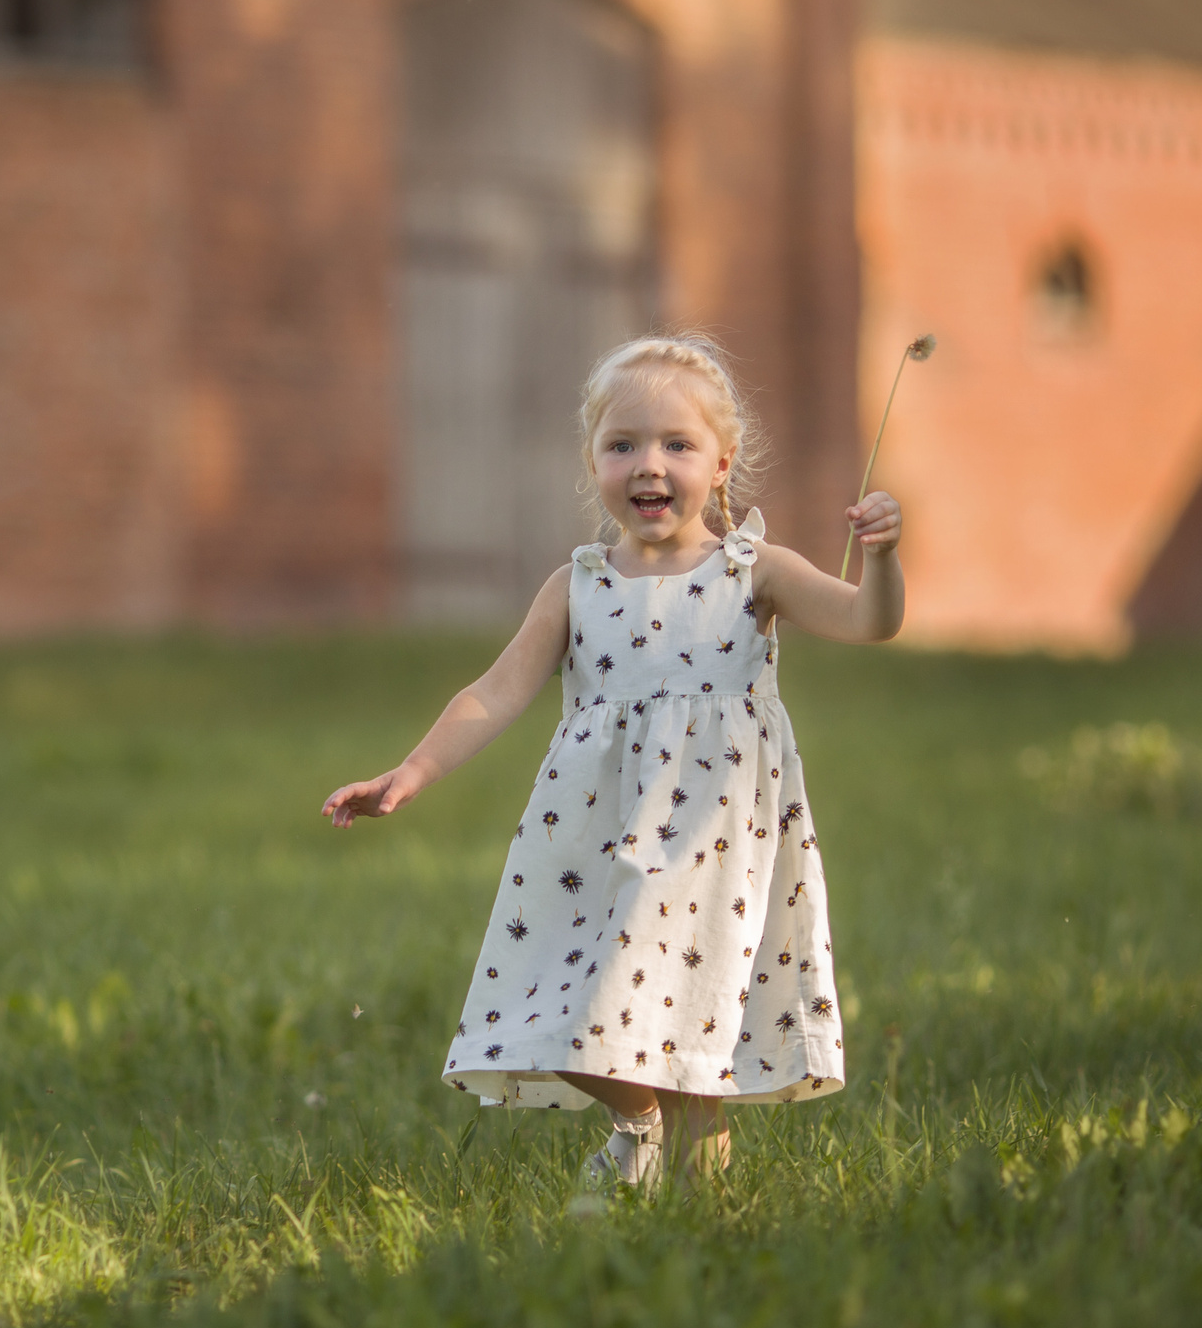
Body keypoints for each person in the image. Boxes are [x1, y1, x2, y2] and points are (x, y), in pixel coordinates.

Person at [321, 333, 904, 1189]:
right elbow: (494, 691)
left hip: (710, 841)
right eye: (621, 445)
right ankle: (636, 1123)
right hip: (596, 840)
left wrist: (883, 559)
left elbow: (868, 621)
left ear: (722, 461)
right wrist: (409, 773)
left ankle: (697, 1229)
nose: (648, 465)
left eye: (676, 444)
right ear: (591, 462)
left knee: (693, 1034)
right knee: (569, 1004)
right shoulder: (578, 585)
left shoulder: (754, 573)